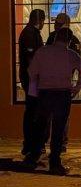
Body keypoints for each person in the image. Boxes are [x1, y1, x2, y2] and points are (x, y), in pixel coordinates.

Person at [25, 28, 81, 175]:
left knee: (40, 125)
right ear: (69, 40)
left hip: (45, 93)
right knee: (59, 128)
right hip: (63, 94)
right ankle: (54, 162)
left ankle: (33, 156)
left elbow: (32, 72)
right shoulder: (70, 55)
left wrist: (35, 90)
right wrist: (79, 86)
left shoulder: (42, 52)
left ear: (55, 38)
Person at [44, 13, 81, 152]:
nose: (55, 25)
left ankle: (59, 143)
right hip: (59, 82)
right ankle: (58, 143)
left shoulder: (58, 38)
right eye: (56, 23)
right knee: (57, 114)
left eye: (58, 23)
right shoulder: (59, 38)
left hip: (58, 82)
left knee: (56, 114)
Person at [18, 9, 46, 157]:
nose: (43, 24)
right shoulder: (30, 34)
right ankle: (31, 144)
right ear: (39, 20)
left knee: (32, 111)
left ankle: (31, 144)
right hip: (32, 80)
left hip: (31, 78)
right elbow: (31, 58)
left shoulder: (30, 32)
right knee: (33, 112)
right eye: (43, 21)